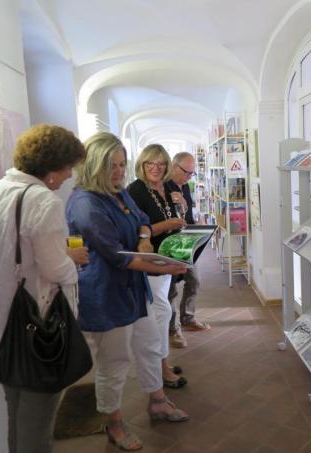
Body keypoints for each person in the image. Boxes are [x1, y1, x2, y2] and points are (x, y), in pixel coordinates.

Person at [0, 124, 89, 453]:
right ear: (51, 169)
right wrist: (73, 259)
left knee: (16, 414)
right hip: (36, 328)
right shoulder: (43, 201)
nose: (69, 176)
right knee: (37, 425)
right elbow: (55, 269)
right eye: (67, 168)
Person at [66, 133, 188, 452]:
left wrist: (145, 238)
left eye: (122, 164)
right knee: (115, 361)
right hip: (106, 292)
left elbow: (143, 219)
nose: (119, 172)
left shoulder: (119, 192)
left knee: (149, 343)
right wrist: (163, 266)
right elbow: (115, 254)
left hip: (134, 287)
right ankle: (114, 422)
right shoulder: (85, 203)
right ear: (95, 165)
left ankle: (157, 400)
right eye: (112, 166)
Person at [126, 145, 189, 387]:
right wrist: (167, 224)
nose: (156, 168)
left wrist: (182, 205)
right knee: (160, 314)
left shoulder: (169, 186)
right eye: (150, 163)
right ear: (141, 165)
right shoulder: (136, 191)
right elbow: (136, 230)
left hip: (168, 257)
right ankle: (160, 369)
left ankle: (163, 363)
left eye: (161, 163)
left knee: (163, 312)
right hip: (150, 261)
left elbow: (181, 217)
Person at [165, 151, 211, 348]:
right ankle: (172, 329)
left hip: (186, 241)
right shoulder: (163, 187)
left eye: (192, 173)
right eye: (186, 172)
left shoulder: (185, 187)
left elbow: (187, 215)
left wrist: (197, 226)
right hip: (169, 243)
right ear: (174, 167)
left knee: (194, 280)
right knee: (170, 288)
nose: (189, 177)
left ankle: (187, 318)